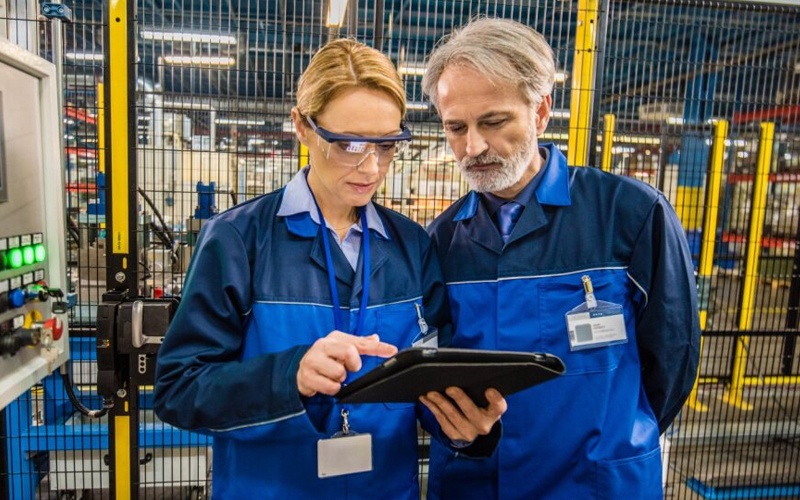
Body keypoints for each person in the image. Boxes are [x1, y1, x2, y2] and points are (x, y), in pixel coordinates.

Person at [153, 38, 506, 500]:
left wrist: (462, 425)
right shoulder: (239, 241)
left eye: (386, 145)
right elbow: (179, 388)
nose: (371, 166)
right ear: (302, 126)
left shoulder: (412, 246)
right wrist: (289, 375)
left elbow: (427, 383)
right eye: (348, 144)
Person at [421, 18, 701, 500]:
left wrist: (612, 437)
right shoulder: (440, 242)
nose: (473, 147)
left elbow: (672, 359)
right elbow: (426, 371)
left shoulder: (629, 215)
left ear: (541, 110)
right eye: (456, 127)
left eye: (493, 122)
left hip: (595, 483)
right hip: (477, 482)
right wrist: (463, 432)